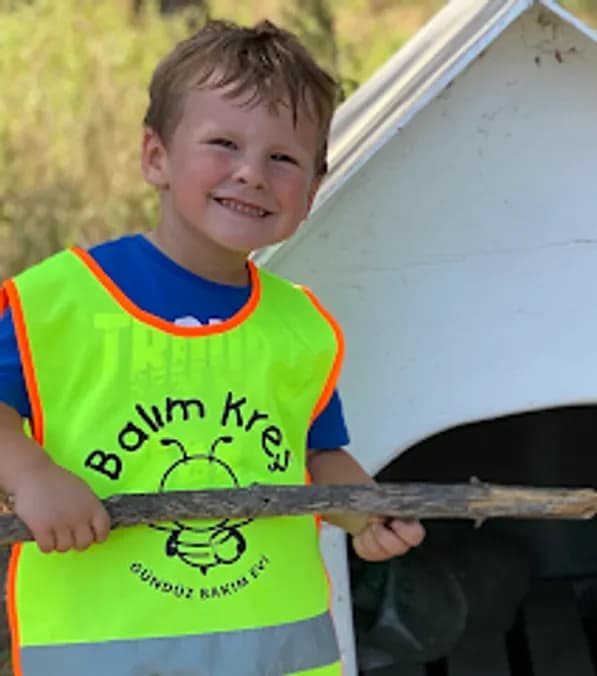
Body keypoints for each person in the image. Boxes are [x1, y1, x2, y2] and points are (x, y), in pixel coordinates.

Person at [0, 18, 424, 675]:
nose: (251, 173)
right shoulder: (57, 303)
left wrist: (366, 514)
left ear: (311, 192)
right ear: (155, 157)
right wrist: (31, 475)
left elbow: (316, 455)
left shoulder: (300, 327)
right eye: (223, 143)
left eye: (283, 159)